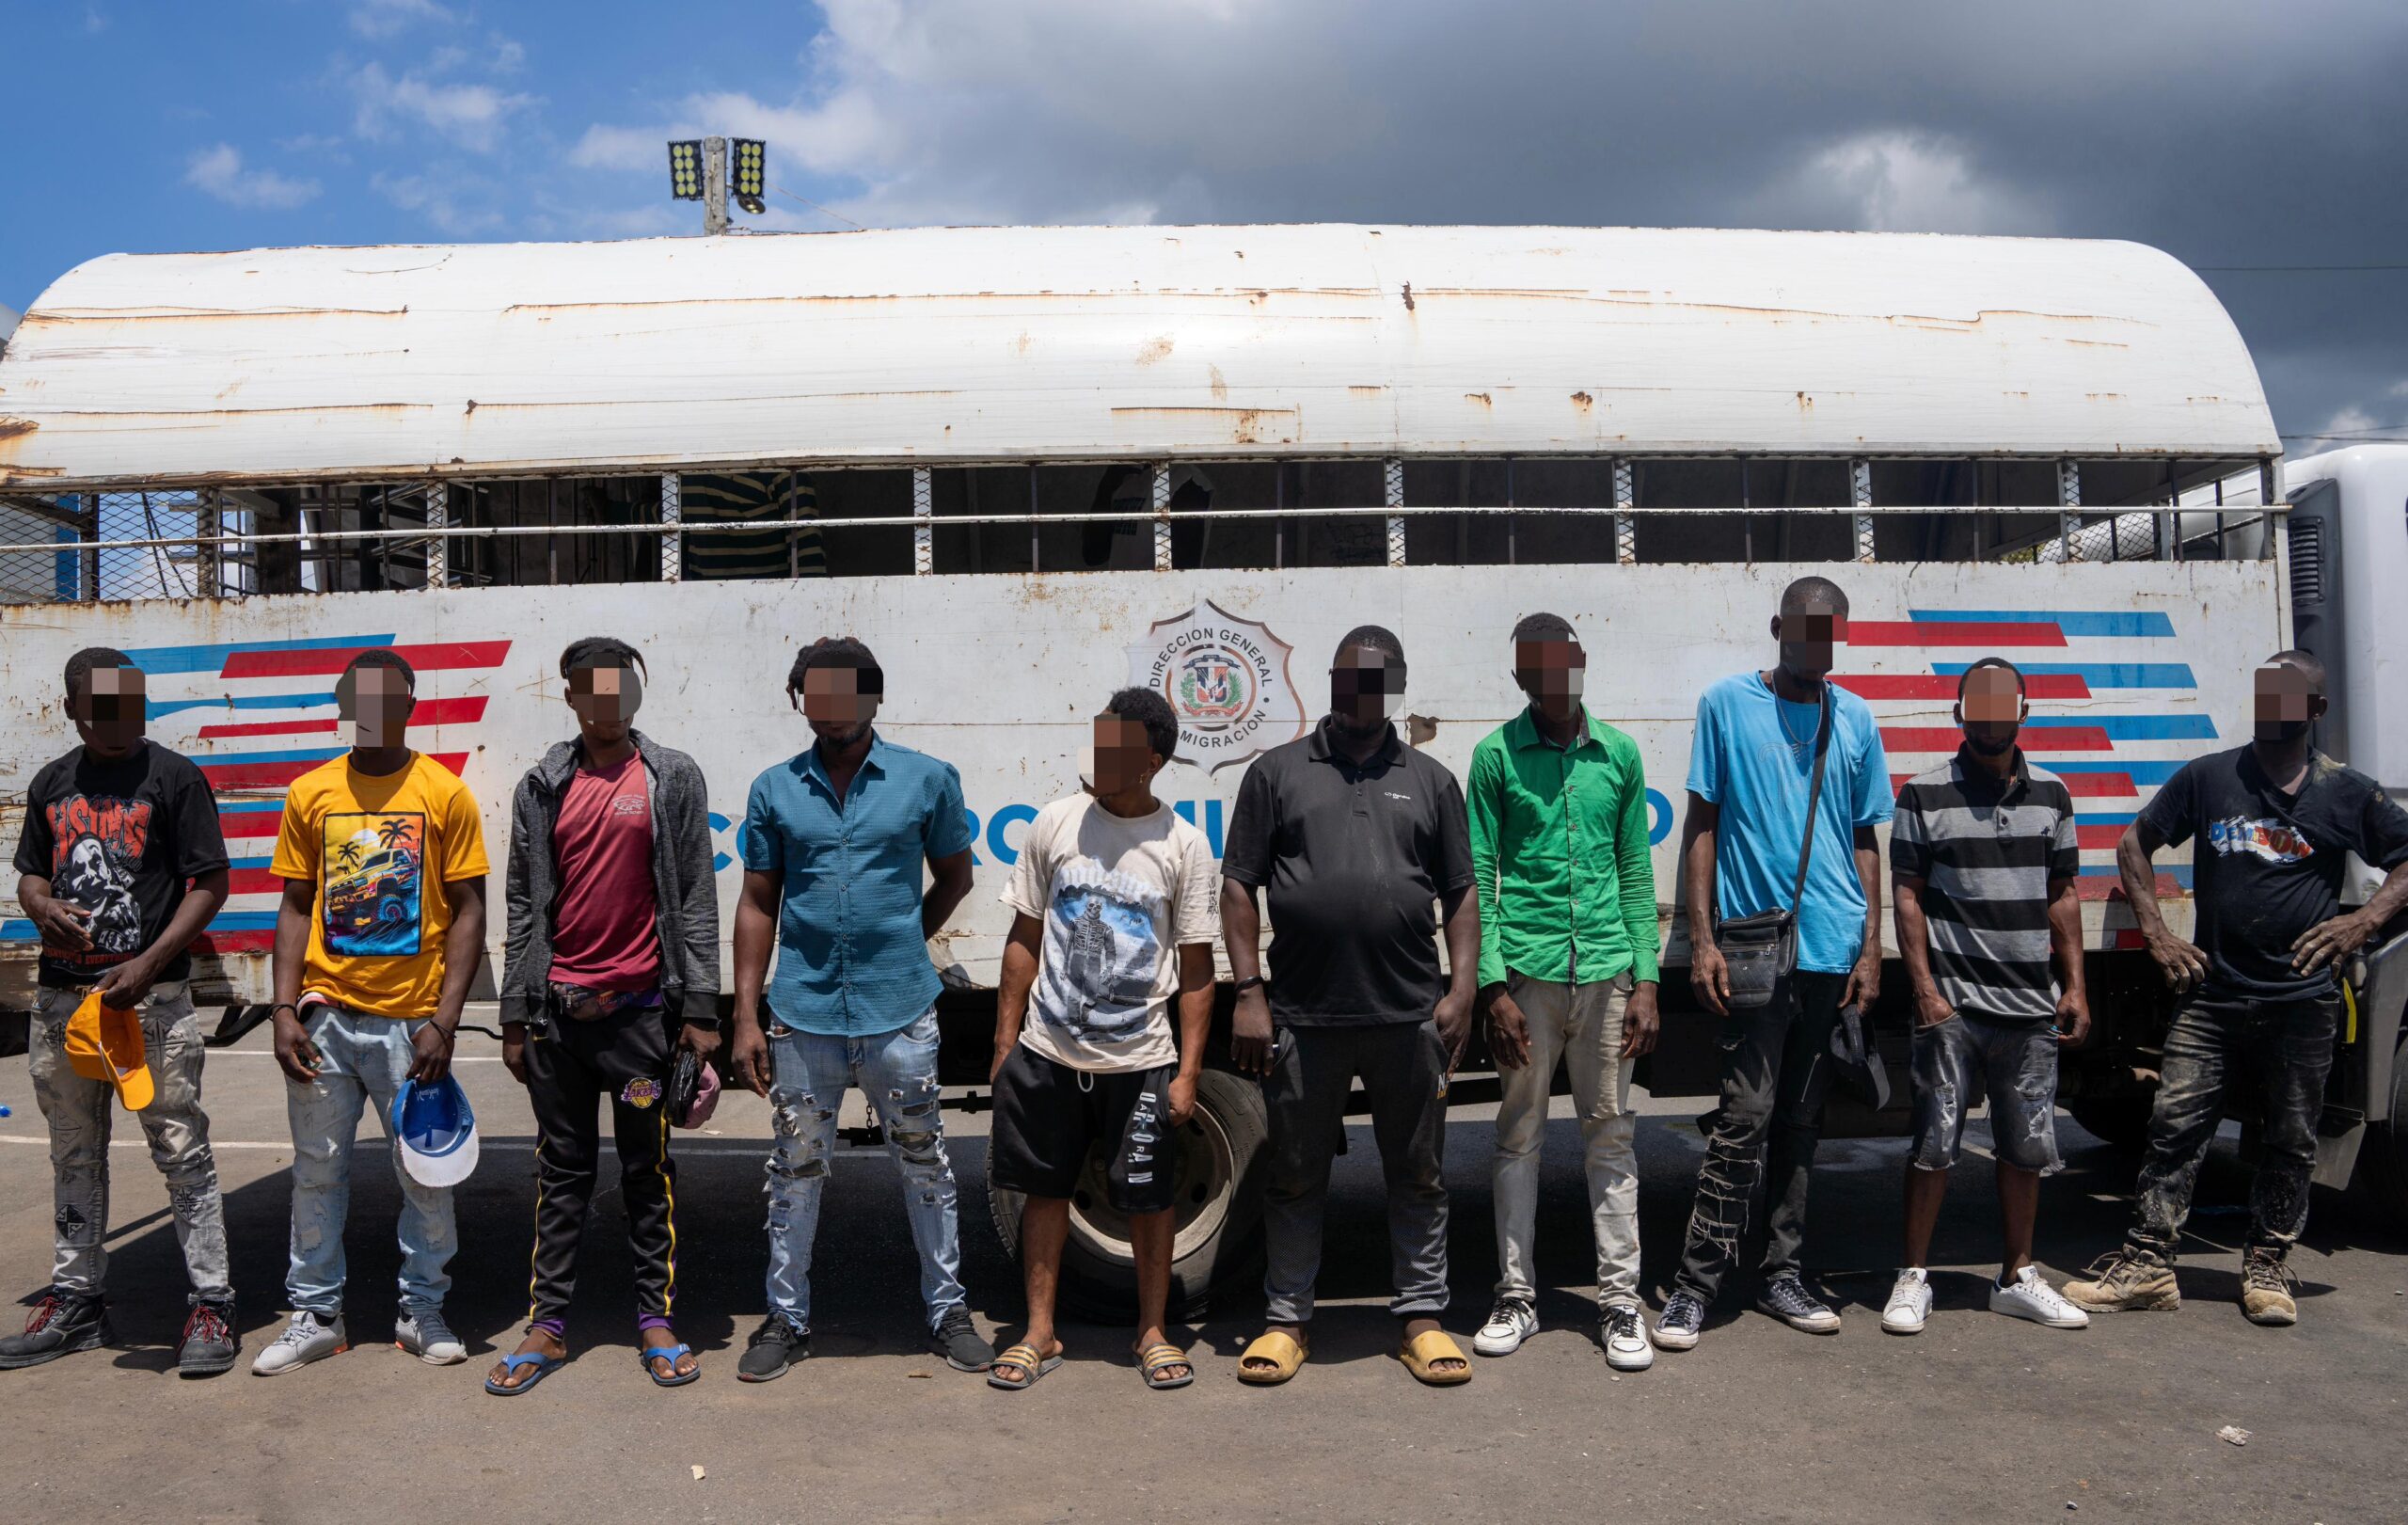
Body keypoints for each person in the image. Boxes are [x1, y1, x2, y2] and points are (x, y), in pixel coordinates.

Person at [2067, 651, 2408, 1326]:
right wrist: (2158, 935)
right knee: (2174, 1127)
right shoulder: (2211, 777)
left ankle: (2268, 1266)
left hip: (2301, 1000)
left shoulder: (2346, 792)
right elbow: (2135, 845)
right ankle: (2148, 1265)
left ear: (2316, 709)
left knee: (2292, 1139)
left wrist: (2362, 921)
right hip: (2213, 994)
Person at [1223, 626, 1481, 1388]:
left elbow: (1462, 892)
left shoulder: (1431, 780)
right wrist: (1249, 992)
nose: (1359, 694)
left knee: (1419, 1172)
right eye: (1347, 679)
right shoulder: (1276, 773)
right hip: (1304, 1016)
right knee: (1294, 1173)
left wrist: (1462, 989)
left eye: (1375, 681)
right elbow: (1238, 885)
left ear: (1394, 689)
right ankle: (1286, 1320)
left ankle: (1422, 1319)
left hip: (1409, 1014)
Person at [725, 637, 989, 1379]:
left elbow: (956, 877)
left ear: (873, 696)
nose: (831, 707)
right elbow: (757, 903)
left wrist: (905, 938)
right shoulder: (774, 788)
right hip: (802, 1015)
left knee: (925, 1163)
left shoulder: (928, 779)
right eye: (816, 693)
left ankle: (948, 1310)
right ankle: (786, 1317)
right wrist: (744, 1016)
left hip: (901, 1014)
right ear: (800, 700)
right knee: (795, 1168)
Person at [1656, 577, 1892, 1350]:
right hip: (1755, 948)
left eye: (1831, 632)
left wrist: (1871, 946)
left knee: (1801, 1120)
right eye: (1807, 628)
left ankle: (1782, 1273)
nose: (1818, 645)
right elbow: (1703, 821)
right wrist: (1702, 938)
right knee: (1743, 1119)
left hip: (1832, 948)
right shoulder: (1727, 704)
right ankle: (1695, 1285)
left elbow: (1864, 836)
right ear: (1777, 625)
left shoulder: (1854, 716)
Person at [488, 637, 721, 1394]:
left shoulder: (670, 776)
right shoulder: (542, 786)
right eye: (592, 688)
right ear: (571, 698)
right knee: (562, 1174)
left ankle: (655, 1320)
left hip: (640, 1026)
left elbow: (695, 895)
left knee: (646, 1171)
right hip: (560, 1027)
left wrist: (701, 1010)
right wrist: (516, 1014)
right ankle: (548, 1326)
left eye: (622, 685)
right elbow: (523, 902)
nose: (607, 700)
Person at [0, 649, 236, 1377]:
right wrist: (39, 903)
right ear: (72, 708)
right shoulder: (52, 781)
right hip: (63, 1003)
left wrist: (150, 961)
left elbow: (210, 881)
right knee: (73, 1154)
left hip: (150, 1004)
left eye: (127, 702)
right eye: (100, 706)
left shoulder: (172, 776)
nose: (115, 718)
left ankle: (213, 1304)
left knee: (182, 1153)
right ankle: (77, 1303)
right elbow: (30, 871)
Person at [254, 648, 488, 1376]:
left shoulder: (444, 793)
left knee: (426, 1174)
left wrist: (444, 1021)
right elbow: (296, 904)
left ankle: (422, 1310)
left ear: (410, 704)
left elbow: (470, 911)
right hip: (325, 1021)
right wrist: (283, 1008)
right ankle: (317, 1315)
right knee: (316, 1173)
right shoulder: (311, 792)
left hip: (412, 1027)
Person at [984, 690, 1218, 1390]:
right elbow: (1024, 937)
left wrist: (1188, 1073)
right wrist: (1004, 1045)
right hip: (1048, 1053)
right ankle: (1038, 1331)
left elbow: (1198, 970)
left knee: (1148, 1198)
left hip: (1140, 1059)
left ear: (1151, 760)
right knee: (1044, 1191)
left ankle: (1152, 1332)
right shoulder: (1054, 822)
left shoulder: (1183, 844)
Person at [1465, 613, 1661, 1371]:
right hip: (1528, 977)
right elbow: (1481, 876)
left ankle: (1620, 1302)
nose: (1551, 678)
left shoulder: (1619, 754)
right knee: (1519, 1136)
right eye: (1535, 668)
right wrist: (1492, 987)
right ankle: (1516, 1296)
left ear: (1581, 662)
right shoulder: (1495, 756)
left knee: (1610, 1137)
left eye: (1562, 663)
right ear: (1521, 677)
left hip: (1608, 973)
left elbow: (1635, 871)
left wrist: (1646, 978)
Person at [1880, 659, 2091, 1335]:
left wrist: (2075, 985)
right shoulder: (1923, 794)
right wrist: (1924, 990)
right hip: (1954, 1006)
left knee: (2027, 1148)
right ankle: (1913, 1276)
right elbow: (1907, 895)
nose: (1993, 716)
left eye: (2005, 704)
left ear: (2023, 712)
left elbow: (2062, 893)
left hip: (2030, 1007)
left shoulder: (2053, 794)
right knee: (1934, 1144)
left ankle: (2017, 1277)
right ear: (1959, 714)